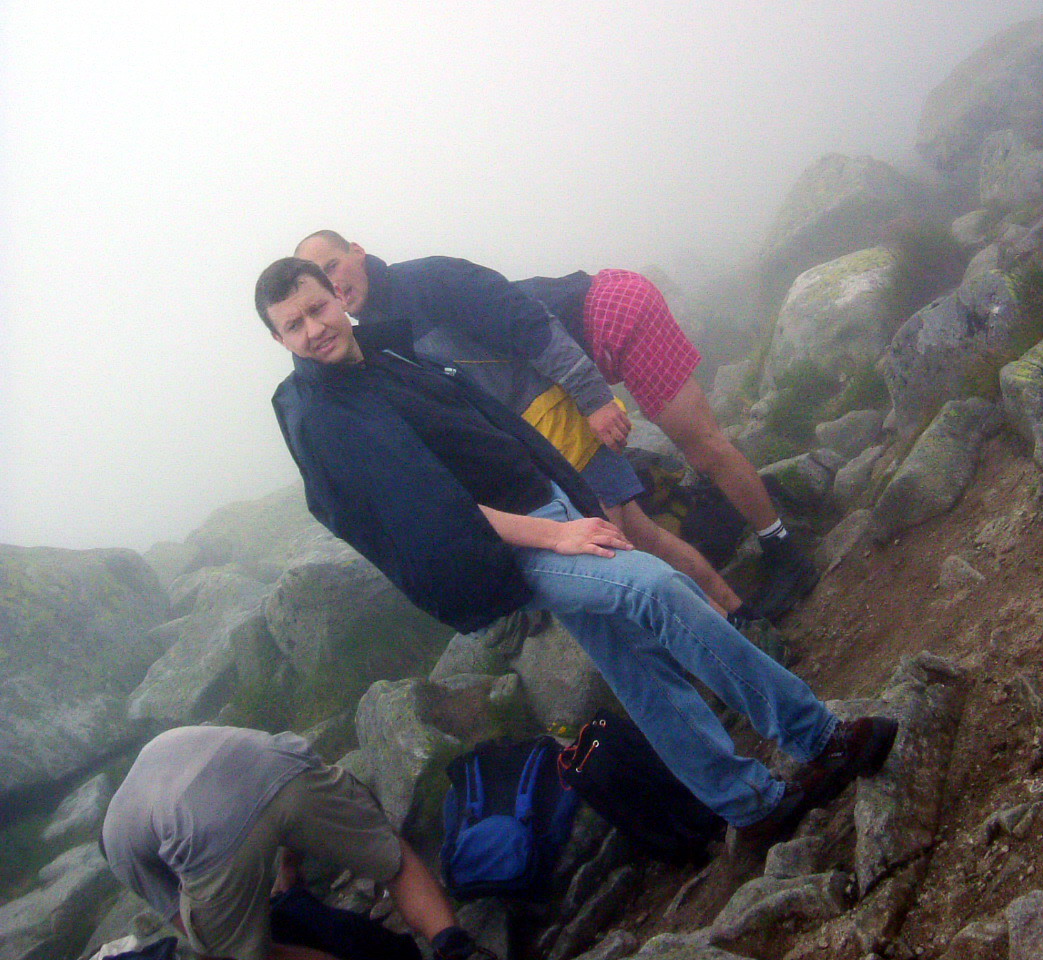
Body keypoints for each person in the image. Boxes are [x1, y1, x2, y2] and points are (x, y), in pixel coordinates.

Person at [256, 257, 897, 849]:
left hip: (548, 504)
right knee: (655, 590)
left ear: (337, 298)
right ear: (279, 339)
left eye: (317, 309)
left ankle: (749, 804)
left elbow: (489, 427)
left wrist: (568, 495)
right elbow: (428, 508)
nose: (313, 330)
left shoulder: (386, 349)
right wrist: (557, 535)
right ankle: (818, 737)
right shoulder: (328, 415)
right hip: (512, 546)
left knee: (636, 666)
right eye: (293, 325)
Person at [294, 231, 814, 623]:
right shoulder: (379, 325)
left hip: (609, 314)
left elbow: (528, 323)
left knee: (698, 450)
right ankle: (738, 614)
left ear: (358, 251)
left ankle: (782, 554)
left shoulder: (426, 280)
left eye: (333, 265)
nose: (333, 282)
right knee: (637, 533)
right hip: (560, 389)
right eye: (320, 281)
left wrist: (593, 399)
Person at [100, 725, 486, 960]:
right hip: (277, 763)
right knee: (393, 861)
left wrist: (245, 931)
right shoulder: (162, 745)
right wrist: (289, 867)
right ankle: (454, 946)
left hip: (204, 832)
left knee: (238, 956)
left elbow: (195, 932)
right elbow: (270, 801)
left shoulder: (117, 845)